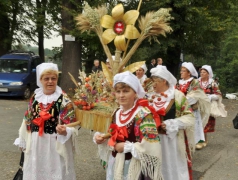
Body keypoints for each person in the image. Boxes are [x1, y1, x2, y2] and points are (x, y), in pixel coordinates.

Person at [14, 63, 78, 180]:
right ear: (41, 80)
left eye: (53, 78)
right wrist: (23, 140)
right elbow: (27, 119)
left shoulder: (64, 100)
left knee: (56, 171)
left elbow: (73, 123)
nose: (50, 81)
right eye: (46, 79)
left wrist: (65, 130)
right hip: (36, 143)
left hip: (55, 144)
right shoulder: (35, 98)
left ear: (57, 80)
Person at [94, 71, 163, 180]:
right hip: (116, 162)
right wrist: (102, 138)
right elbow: (113, 134)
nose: (121, 95)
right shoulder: (117, 112)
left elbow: (152, 146)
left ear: (135, 92)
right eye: (118, 91)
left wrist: (128, 147)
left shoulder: (143, 115)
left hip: (134, 167)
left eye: (126, 91)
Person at [147, 66, 195, 180]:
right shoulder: (149, 96)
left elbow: (190, 117)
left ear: (164, 80)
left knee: (171, 169)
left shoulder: (177, 96)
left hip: (171, 142)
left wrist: (171, 124)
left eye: (155, 81)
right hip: (152, 141)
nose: (153, 84)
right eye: (152, 81)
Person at [176, 62, 210, 150]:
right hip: (180, 109)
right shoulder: (179, 83)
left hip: (191, 109)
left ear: (189, 72)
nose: (181, 72)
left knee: (193, 127)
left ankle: (195, 143)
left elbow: (195, 96)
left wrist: (181, 101)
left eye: (183, 71)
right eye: (181, 71)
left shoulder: (194, 82)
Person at [198, 65, 227, 148]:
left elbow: (219, 95)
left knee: (205, 122)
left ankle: (203, 140)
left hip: (208, 106)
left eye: (204, 72)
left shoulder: (212, 83)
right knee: (197, 122)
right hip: (197, 105)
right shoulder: (196, 82)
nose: (202, 74)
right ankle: (200, 140)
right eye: (201, 72)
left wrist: (210, 96)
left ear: (208, 74)